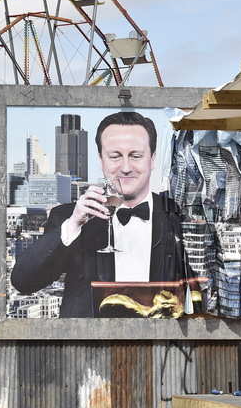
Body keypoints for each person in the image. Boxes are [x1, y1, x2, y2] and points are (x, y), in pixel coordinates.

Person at [11, 111, 192, 317]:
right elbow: (23, 281)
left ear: (152, 159)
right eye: (115, 156)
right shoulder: (69, 216)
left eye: (136, 156)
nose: (125, 167)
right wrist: (73, 225)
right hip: (89, 348)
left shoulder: (177, 215)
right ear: (101, 160)